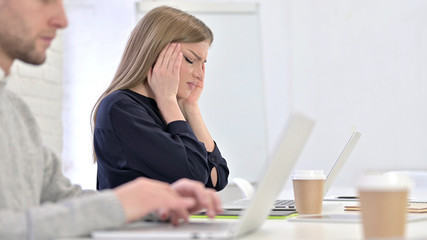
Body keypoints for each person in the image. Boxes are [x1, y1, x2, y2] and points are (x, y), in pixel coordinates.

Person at [0, 0, 222, 239]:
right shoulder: (121, 107)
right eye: (44, 1)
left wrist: (152, 203)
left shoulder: (16, 111)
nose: (63, 20)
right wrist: (126, 203)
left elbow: (63, 197)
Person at [92, 6, 229, 191]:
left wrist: (191, 106)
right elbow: (195, 176)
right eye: (190, 59)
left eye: (203, 63)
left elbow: (216, 180)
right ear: (156, 55)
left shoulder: (166, 108)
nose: (199, 74)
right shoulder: (120, 108)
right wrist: (167, 98)